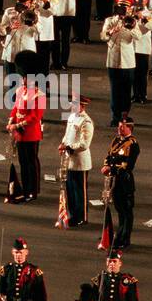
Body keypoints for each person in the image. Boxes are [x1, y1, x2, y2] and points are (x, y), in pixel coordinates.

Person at [5, 49, 45, 201]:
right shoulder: (21, 90)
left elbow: (35, 116)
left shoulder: (39, 94)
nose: (22, 80)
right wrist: (11, 120)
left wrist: (17, 125)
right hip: (20, 132)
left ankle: (32, 190)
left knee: (31, 162)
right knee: (22, 161)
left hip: (31, 132)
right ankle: (26, 187)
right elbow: (16, 107)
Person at [100, 116, 140, 251]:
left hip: (124, 181)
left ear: (129, 128)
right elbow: (109, 156)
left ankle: (124, 238)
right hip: (114, 181)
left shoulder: (133, 144)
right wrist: (106, 166)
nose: (119, 129)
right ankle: (118, 235)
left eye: (122, 127)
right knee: (119, 209)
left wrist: (111, 169)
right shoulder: (116, 140)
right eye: (119, 126)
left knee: (126, 211)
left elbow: (128, 165)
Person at [58, 94, 94, 226]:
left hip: (80, 161)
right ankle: (73, 214)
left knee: (80, 191)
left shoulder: (86, 122)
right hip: (69, 159)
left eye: (75, 104)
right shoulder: (72, 117)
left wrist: (68, 147)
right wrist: (62, 144)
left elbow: (84, 144)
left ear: (82, 106)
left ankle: (82, 216)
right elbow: (67, 135)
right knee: (70, 189)